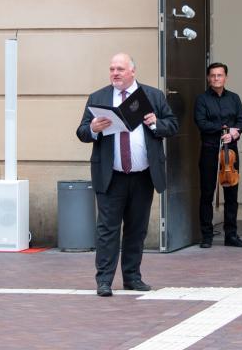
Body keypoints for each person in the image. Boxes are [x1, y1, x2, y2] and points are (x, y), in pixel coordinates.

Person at [76, 53, 178, 297]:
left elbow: (173, 125)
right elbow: (81, 132)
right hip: (111, 176)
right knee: (107, 230)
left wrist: (155, 123)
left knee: (136, 229)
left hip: (143, 175)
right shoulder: (98, 97)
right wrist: (93, 128)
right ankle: (104, 281)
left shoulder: (152, 96)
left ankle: (132, 278)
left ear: (133, 71)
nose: (115, 73)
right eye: (112, 69)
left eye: (120, 68)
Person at [194, 62, 242, 248]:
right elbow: (201, 123)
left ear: (226, 77)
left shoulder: (234, 98)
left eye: (220, 75)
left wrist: (235, 132)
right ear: (209, 78)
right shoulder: (202, 100)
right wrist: (223, 129)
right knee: (207, 194)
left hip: (230, 152)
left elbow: (241, 121)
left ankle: (231, 235)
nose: (216, 78)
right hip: (210, 150)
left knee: (231, 194)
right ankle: (207, 236)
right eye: (213, 75)